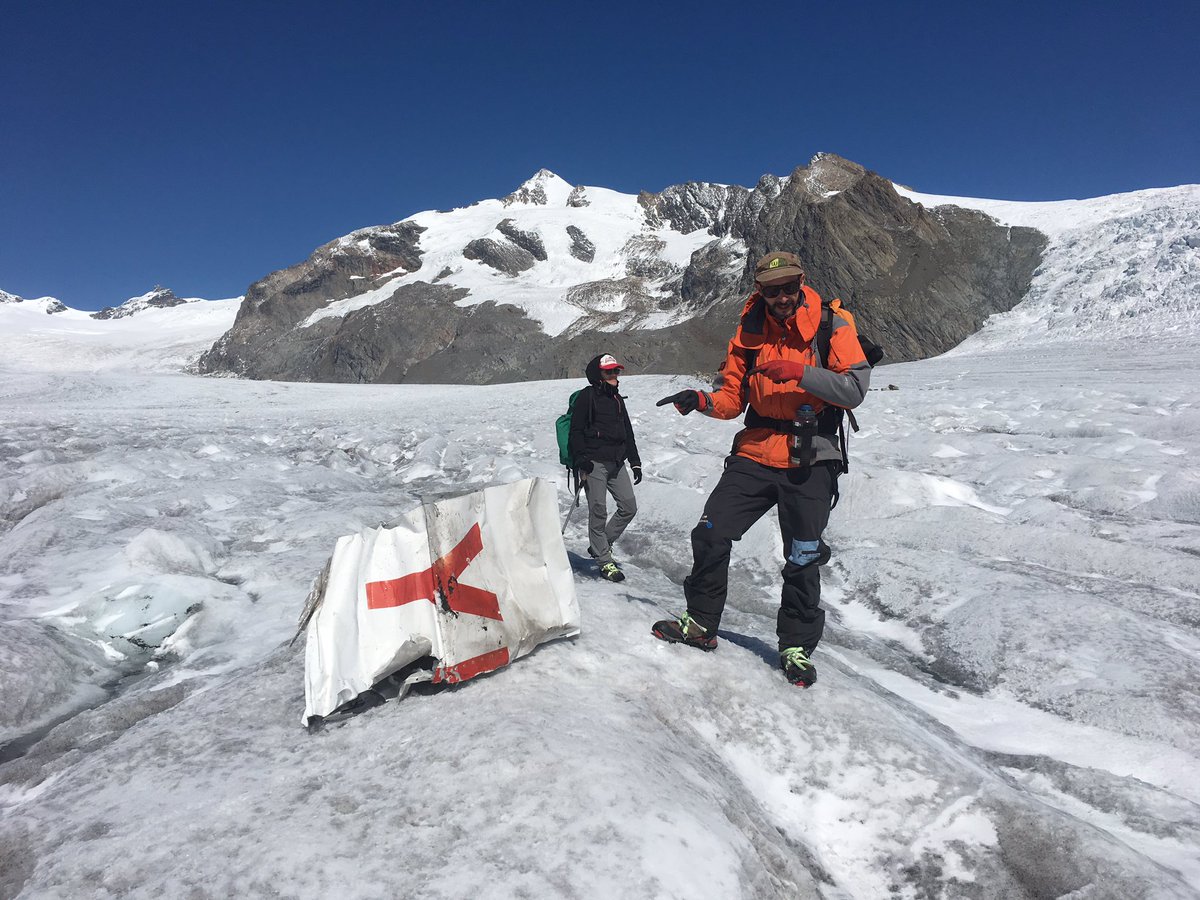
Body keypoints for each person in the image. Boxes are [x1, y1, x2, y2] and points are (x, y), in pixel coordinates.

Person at [653, 251, 870, 687]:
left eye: (789, 288)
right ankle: (700, 623)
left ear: (801, 283)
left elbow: (854, 389)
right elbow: (732, 398)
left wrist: (800, 373)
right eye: (773, 291)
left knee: (802, 555)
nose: (782, 297)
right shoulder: (748, 332)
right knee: (711, 532)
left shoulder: (832, 324)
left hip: (811, 454)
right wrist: (703, 400)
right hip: (754, 451)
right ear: (760, 292)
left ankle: (795, 647)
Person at [569, 353, 642, 583]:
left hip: (617, 462)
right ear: (598, 374)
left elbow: (627, 431)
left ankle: (600, 545)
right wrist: (581, 459)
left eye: (615, 371)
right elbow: (576, 431)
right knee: (598, 511)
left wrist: (635, 461)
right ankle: (604, 561)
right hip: (594, 463)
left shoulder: (617, 399)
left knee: (628, 507)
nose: (613, 375)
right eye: (608, 371)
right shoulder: (587, 397)